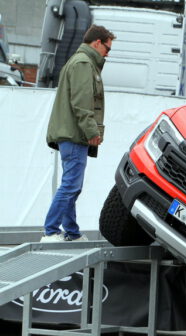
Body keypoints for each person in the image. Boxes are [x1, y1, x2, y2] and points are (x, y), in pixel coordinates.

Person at [40, 25, 116, 242]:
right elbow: (82, 103)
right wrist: (92, 131)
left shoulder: (80, 61)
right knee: (71, 186)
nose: (107, 54)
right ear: (97, 43)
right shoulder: (84, 64)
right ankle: (51, 231)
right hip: (75, 135)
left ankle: (71, 233)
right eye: (107, 48)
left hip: (70, 134)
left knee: (71, 185)